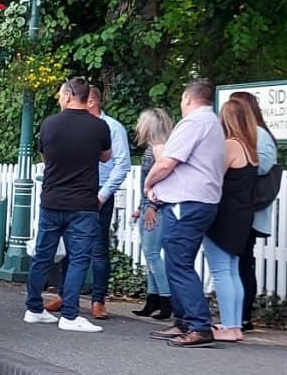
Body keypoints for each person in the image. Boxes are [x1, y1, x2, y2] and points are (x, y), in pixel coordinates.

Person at [24, 78, 111, 333]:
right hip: (83, 203)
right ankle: (70, 315)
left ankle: (34, 308)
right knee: (78, 258)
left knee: (43, 255)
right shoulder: (99, 127)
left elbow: (44, 156)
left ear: (70, 95)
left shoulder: (49, 124)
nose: (59, 97)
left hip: (52, 199)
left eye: (61, 94)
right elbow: (106, 156)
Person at [144, 79, 227, 348]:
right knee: (178, 262)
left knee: (179, 263)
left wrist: (149, 183)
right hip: (202, 201)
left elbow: (167, 161)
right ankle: (183, 321)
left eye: (182, 101)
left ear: (188, 99)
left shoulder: (193, 123)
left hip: (186, 203)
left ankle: (199, 325)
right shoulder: (214, 123)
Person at [200, 97, 262, 343]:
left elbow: (214, 175)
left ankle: (227, 324)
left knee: (220, 271)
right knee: (233, 270)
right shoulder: (250, 148)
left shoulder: (230, 145)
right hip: (242, 215)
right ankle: (235, 324)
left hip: (223, 216)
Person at [230, 91, 280, 332]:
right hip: (242, 207)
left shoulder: (259, 134)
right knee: (240, 260)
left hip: (249, 207)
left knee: (243, 261)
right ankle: (239, 315)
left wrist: (237, 160)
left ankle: (244, 316)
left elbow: (263, 165)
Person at [84, 84, 131, 320]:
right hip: (77, 191)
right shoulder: (78, 126)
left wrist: (103, 194)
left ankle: (98, 300)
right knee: (71, 247)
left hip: (99, 192)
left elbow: (122, 164)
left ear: (91, 101)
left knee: (98, 248)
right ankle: (67, 293)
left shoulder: (112, 128)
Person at [130, 107, 175, 319]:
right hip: (148, 205)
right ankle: (153, 297)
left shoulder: (159, 149)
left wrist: (151, 206)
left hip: (155, 208)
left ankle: (166, 299)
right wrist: (141, 206)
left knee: (151, 254)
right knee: (150, 254)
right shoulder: (158, 148)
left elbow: (163, 181)